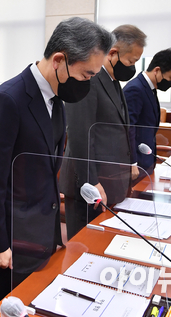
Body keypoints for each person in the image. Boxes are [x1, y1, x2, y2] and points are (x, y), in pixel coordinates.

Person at [0, 17, 114, 310]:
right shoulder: (8, 100)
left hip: (40, 233)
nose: (88, 83)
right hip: (10, 239)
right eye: (86, 74)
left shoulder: (57, 99)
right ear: (59, 60)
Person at [59, 24, 146, 240]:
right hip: (89, 185)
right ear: (113, 53)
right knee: (84, 247)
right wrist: (91, 181)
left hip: (109, 180)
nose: (133, 68)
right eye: (131, 62)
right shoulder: (89, 77)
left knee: (102, 245)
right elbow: (81, 133)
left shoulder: (112, 80)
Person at [124, 48, 171, 175]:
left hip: (146, 160)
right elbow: (128, 128)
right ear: (157, 70)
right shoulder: (135, 89)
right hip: (137, 163)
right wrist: (132, 163)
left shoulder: (149, 88)